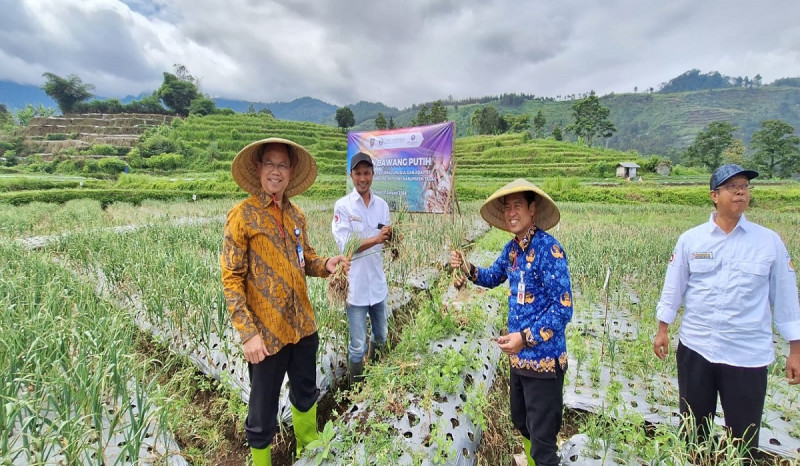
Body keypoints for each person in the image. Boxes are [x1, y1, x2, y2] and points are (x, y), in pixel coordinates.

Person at [653, 164, 800, 457]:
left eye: (745, 186)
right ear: (714, 196)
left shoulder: (768, 242)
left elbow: (785, 297)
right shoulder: (692, 240)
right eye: (732, 187)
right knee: (693, 431)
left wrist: (795, 349)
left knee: (744, 438)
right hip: (697, 347)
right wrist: (663, 329)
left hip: (747, 354)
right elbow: (674, 286)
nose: (740, 192)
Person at [221, 138, 349, 466]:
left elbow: (306, 260)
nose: (276, 171)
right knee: (262, 408)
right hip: (266, 334)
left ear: (291, 172)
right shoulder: (242, 216)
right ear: (258, 168)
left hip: (303, 326)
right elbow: (231, 280)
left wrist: (327, 265)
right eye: (270, 164)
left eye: (282, 165)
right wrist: (248, 334)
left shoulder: (296, 215)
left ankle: (309, 448)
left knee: (306, 391)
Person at [450, 178, 573, 466]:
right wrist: (467, 268)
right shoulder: (513, 250)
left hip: (543, 360)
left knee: (543, 443)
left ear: (532, 209)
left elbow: (563, 308)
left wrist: (525, 338)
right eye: (507, 207)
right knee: (522, 421)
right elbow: (492, 276)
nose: (511, 212)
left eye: (518, 205)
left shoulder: (549, 250)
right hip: (519, 360)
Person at [331, 152, 392, 384]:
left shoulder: (382, 206)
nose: (363, 178)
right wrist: (377, 239)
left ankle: (373, 377)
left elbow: (385, 237)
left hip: (377, 284)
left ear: (373, 175)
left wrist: (392, 238)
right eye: (358, 173)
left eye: (367, 173)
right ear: (351, 175)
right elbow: (347, 244)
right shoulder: (343, 206)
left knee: (381, 337)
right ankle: (356, 388)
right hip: (355, 288)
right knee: (357, 346)